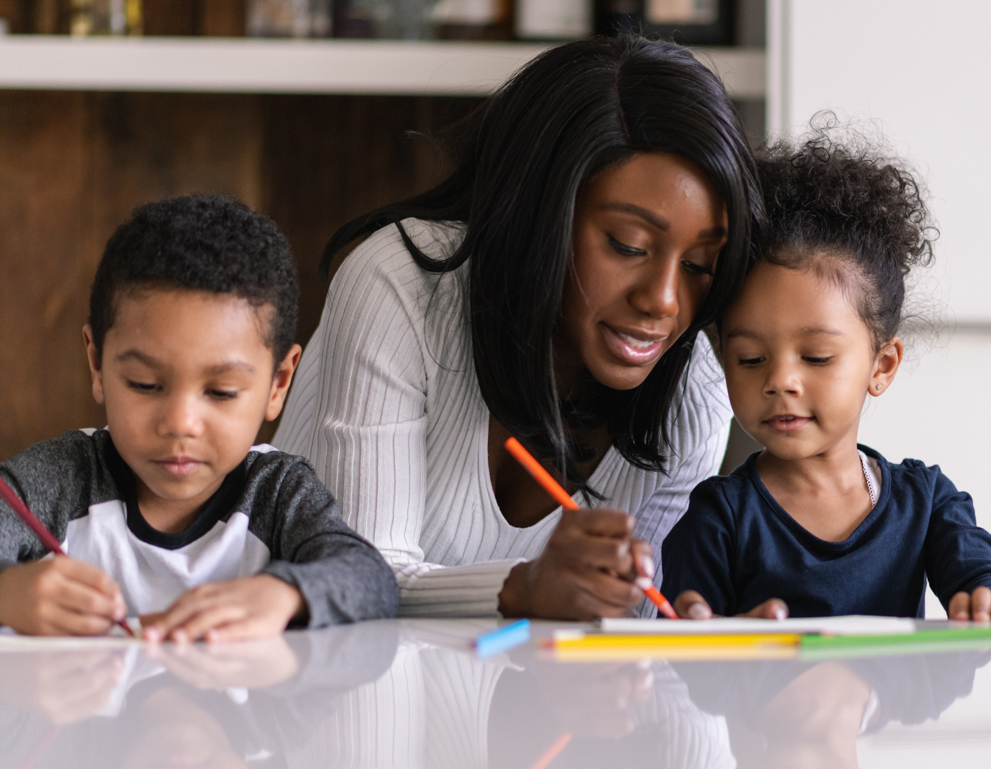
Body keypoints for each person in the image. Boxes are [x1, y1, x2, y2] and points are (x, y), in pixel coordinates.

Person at [274, 34, 766, 620]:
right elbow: (356, 581)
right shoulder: (400, 285)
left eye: (698, 265)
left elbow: (625, 630)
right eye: (627, 245)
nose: (663, 301)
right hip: (297, 694)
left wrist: (712, 655)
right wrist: (522, 591)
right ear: (542, 210)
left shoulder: (696, 395)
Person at [0, 195, 399, 640]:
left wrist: (284, 594)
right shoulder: (56, 481)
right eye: (145, 384)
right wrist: (5, 594)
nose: (181, 423)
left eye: (221, 392)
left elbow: (372, 580)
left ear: (278, 384)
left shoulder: (277, 493)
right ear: (96, 364)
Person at [662, 132, 991, 621]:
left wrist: (988, 596)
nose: (781, 380)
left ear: (882, 366)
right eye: (749, 359)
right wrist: (715, 642)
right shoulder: (719, 518)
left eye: (815, 357)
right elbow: (681, 657)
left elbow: (985, 579)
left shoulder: (928, 504)